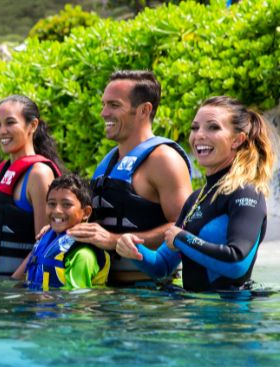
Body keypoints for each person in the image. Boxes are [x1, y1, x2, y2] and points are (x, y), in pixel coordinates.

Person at [116, 96, 274, 292]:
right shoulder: (196, 199)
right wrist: (134, 250)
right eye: (195, 127)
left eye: (213, 127)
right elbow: (162, 265)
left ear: (237, 140)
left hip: (232, 316)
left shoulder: (247, 193)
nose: (199, 135)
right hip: (196, 314)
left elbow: (237, 263)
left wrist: (182, 238)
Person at [68, 70, 193, 284]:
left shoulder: (164, 159)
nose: (103, 113)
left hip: (152, 294)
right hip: (110, 293)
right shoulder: (108, 162)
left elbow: (186, 227)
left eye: (114, 105)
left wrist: (114, 241)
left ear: (144, 110)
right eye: (104, 104)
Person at [0, 94, 65, 277]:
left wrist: (14, 285)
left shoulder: (39, 174)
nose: (2, 131)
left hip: (19, 291)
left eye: (10, 123)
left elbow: (43, 243)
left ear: (32, 125)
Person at [15, 174, 110, 290]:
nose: (57, 210)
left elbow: (75, 303)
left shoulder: (83, 256)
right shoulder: (47, 237)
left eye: (66, 204)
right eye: (52, 204)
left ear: (86, 213)